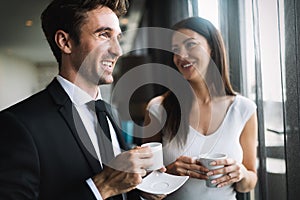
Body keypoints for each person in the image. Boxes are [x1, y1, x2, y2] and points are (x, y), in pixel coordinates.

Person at [0, 0, 155, 199]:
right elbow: (107, 186)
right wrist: (101, 187)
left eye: (118, 38)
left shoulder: (111, 113)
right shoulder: (17, 125)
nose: (118, 50)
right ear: (65, 42)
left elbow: (119, 186)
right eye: (104, 35)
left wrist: (142, 187)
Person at [143, 16, 258, 199]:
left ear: (212, 48)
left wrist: (241, 173)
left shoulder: (243, 109)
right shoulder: (158, 108)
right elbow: (144, 187)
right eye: (175, 50)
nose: (181, 56)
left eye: (190, 45)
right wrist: (170, 172)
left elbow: (249, 182)